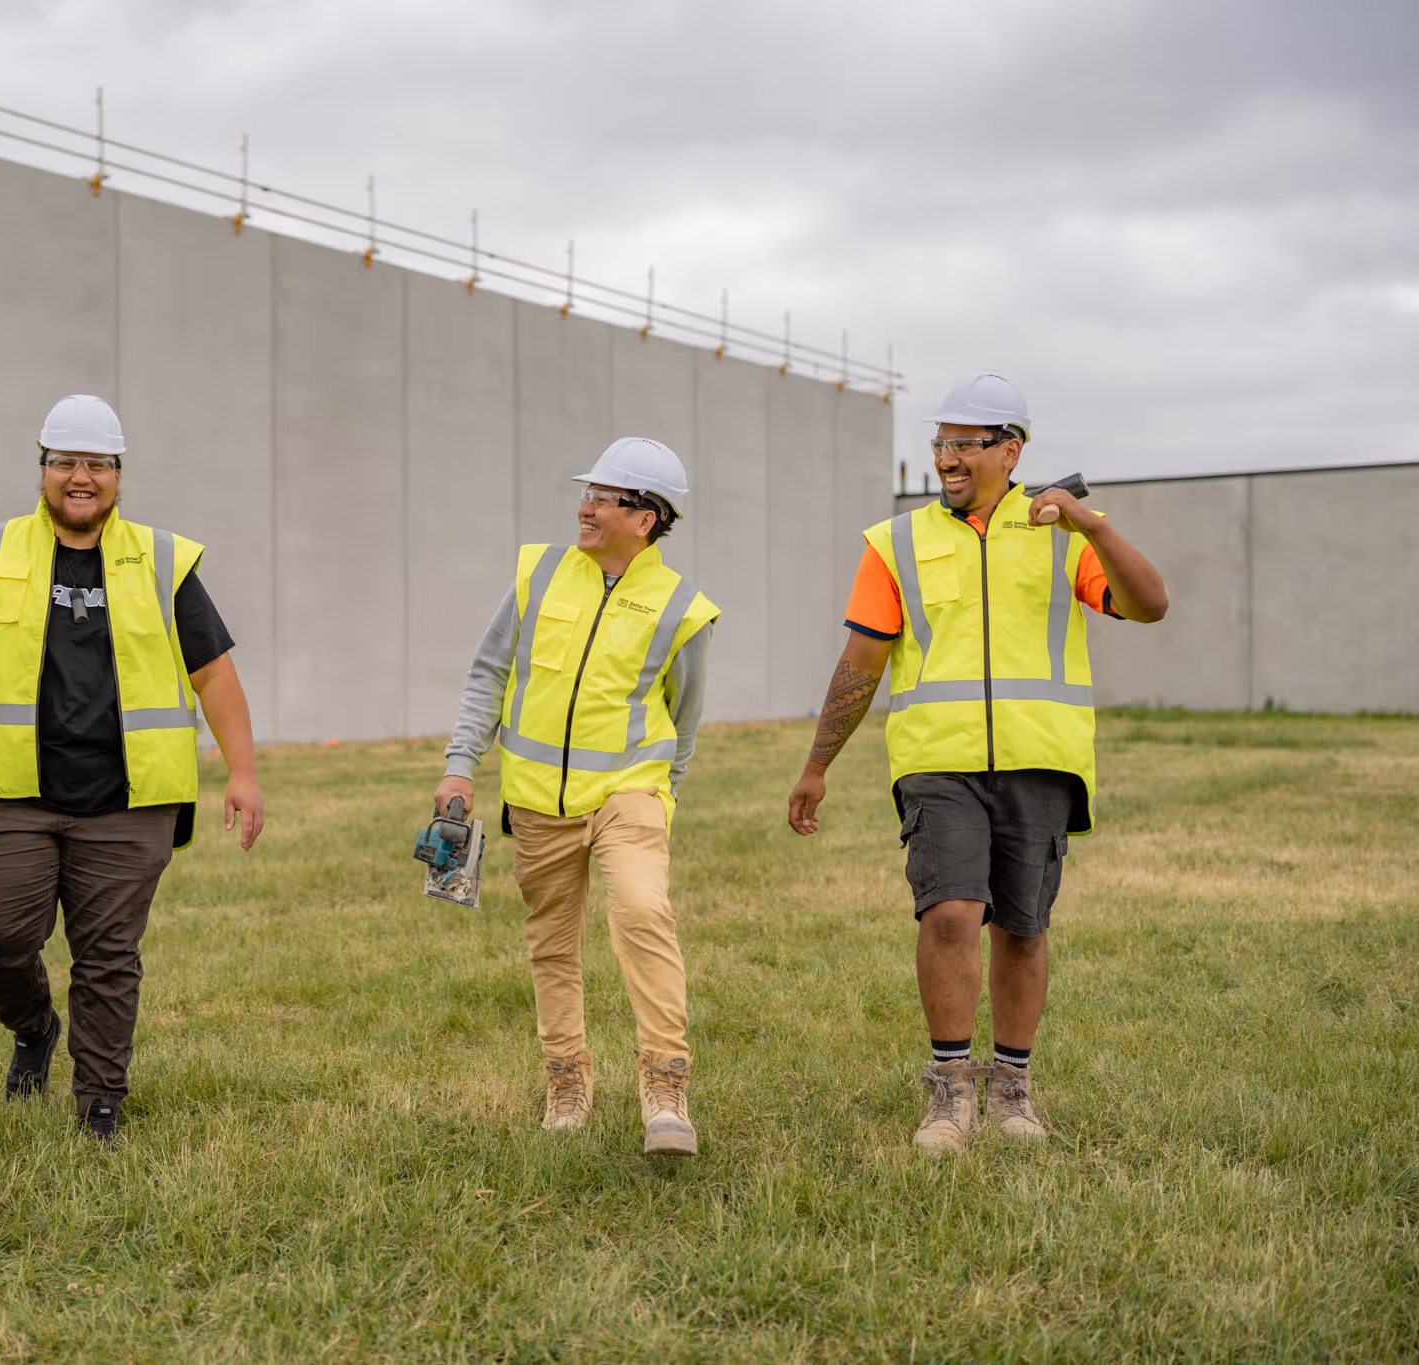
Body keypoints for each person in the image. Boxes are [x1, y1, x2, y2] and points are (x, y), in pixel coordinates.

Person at [786, 372, 1169, 1154]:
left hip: (1041, 760)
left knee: (1023, 929)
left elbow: (1152, 602)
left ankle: (1014, 1091)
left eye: (964, 444)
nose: (947, 459)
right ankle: (949, 1092)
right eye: (940, 444)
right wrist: (817, 763)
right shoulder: (896, 543)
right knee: (953, 913)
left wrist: (1092, 528)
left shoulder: (1064, 535)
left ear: (1011, 449)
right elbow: (861, 659)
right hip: (938, 762)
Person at [0, 394, 264, 1141]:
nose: (80, 477)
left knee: (108, 955)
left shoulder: (164, 561)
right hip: (8, 795)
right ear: (42, 471)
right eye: (65, 461)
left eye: (96, 464)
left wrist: (244, 772)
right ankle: (34, 1026)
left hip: (128, 800)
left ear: (119, 477)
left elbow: (216, 674)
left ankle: (100, 1100)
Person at [436, 438, 718, 1157]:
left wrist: (661, 799)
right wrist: (461, 765)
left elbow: (684, 720)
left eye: (603, 496)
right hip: (535, 801)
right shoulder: (538, 574)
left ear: (645, 518)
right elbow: (488, 671)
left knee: (643, 910)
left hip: (630, 794)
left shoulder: (681, 608)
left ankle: (666, 1088)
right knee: (552, 945)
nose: (585, 507)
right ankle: (567, 1081)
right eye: (588, 492)